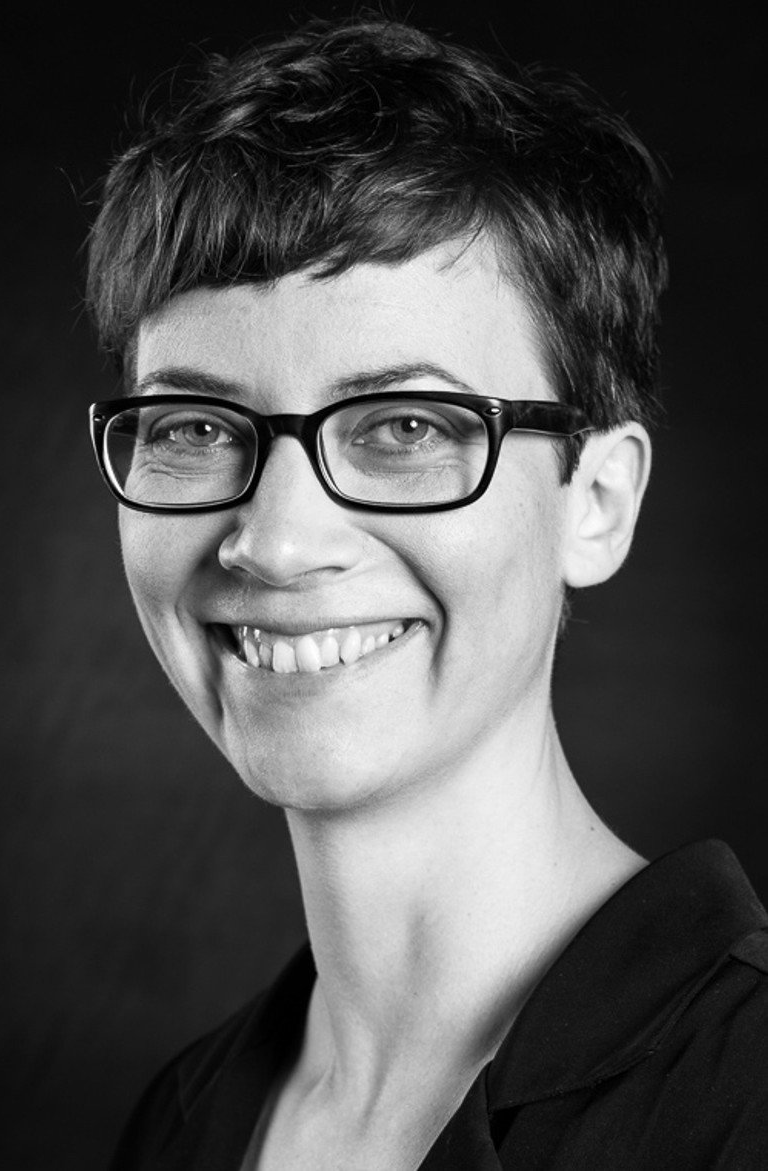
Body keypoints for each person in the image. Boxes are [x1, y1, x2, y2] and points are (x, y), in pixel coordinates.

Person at [86, 16, 768, 1169]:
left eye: (405, 426)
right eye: (195, 427)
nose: (277, 542)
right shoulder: (180, 1124)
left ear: (597, 501)